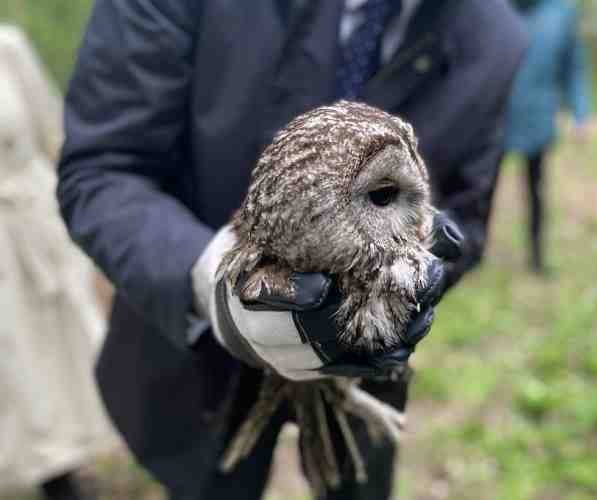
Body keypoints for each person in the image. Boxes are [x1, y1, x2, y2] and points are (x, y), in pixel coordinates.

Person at [57, 1, 526, 499]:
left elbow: (467, 214)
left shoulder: (493, 35)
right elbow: (103, 167)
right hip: (194, 362)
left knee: (355, 483)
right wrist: (216, 277)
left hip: (363, 373)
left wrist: (405, 277)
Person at [0, 25, 116, 500]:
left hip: (31, 228)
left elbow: (54, 136)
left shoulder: (8, 48)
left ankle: (63, 477)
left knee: (49, 362)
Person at [503, 0, 591, 275]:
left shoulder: (562, 13)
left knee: (536, 189)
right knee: (480, 187)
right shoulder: (497, 7)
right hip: (495, 114)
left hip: (537, 118)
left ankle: (536, 256)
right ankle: (469, 250)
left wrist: (580, 112)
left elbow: (574, 67)